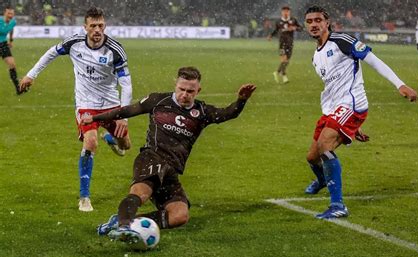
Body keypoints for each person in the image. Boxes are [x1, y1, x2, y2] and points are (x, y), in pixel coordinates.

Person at [83, 67, 256, 243]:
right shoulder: (158, 100)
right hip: (151, 157)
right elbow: (126, 110)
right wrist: (96, 119)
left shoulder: (202, 112)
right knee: (141, 193)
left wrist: (241, 100)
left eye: (190, 91)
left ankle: (121, 221)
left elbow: (227, 113)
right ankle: (124, 226)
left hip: (171, 171)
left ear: (198, 91)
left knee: (180, 215)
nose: (185, 94)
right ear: (176, 85)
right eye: (182, 89)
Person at [303, 6, 418, 219]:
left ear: (327, 22)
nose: (313, 24)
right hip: (334, 109)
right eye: (309, 21)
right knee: (312, 157)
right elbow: (333, 88)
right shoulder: (316, 57)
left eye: (318, 20)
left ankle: (338, 205)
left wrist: (400, 85)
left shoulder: (341, 40)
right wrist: (352, 126)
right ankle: (322, 180)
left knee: (325, 144)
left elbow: (372, 59)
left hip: (351, 104)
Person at [19, 7, 133, 212]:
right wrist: (31, 75)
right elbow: (52, 52)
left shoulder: (115, 50)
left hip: (111, 104)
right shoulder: (74, 43)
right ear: (85, 27)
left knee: (126, 145)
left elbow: (126, 84)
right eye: (93, 26)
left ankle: (113, 140)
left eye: (100, 26)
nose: (97, 30)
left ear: (105, 26)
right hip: (86, 104)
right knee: (90, 143)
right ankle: (84, 197)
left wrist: (124, 115)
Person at [267, 5, 302, 84]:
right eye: (284, 11)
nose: (285, 13)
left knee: (286, 61)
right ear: (282, 12)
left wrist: (295, 28)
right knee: (284, 60)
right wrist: (271, 36)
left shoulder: (293, 20)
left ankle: (277, 72)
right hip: (282, 43)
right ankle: (284, 76)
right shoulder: (279, 21)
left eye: (287, 11)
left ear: (289, 12)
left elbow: (301, 28)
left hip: (290, 43)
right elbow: (276, 30)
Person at [1, 6, 22, 94]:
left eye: (12, 13)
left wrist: (11, 40)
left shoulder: (13, 22)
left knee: (12, 65)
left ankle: (18, 88)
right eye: (9, 13)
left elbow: (11, 30)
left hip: (3, 45)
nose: (10, 15)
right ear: (4, 13)